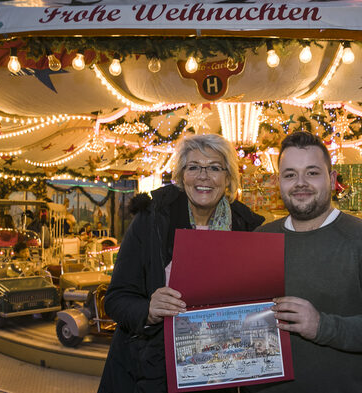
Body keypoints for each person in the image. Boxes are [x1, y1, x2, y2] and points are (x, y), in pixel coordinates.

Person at [246, 132, 362, 393]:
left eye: (312, 173)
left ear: (332, 179)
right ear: (278, 182)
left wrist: (322, 326)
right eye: (290, 174)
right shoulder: (259, 239)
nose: (300, 183)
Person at [98, 134, 265, 393]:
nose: (203, 176)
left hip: (219, 372)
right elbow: (116, 298)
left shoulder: (246, 228)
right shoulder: (151, 220)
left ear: (228, 177)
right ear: (181, 175)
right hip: (151, 368)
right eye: (194, 167)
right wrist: (149, 310)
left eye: (214, 168)